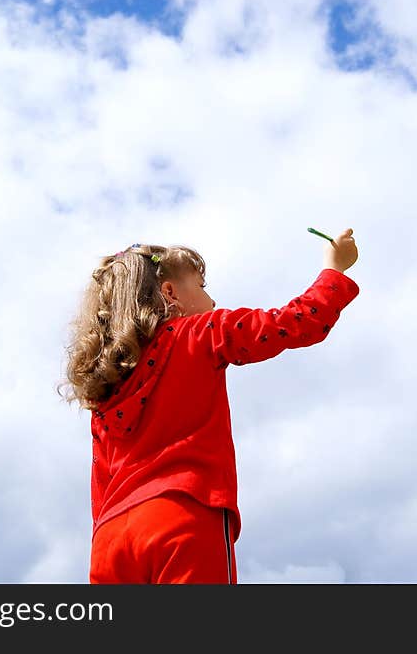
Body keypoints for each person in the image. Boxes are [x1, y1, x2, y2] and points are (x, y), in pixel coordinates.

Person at [57, 228, 360, 583]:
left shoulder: (105, 387)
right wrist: (334, 272)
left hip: (110, 542)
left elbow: (100, 482)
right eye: (201, 286)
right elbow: (294, 323)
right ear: (170, 294)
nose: (212, 301)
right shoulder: (203, 332)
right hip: (180, 517)